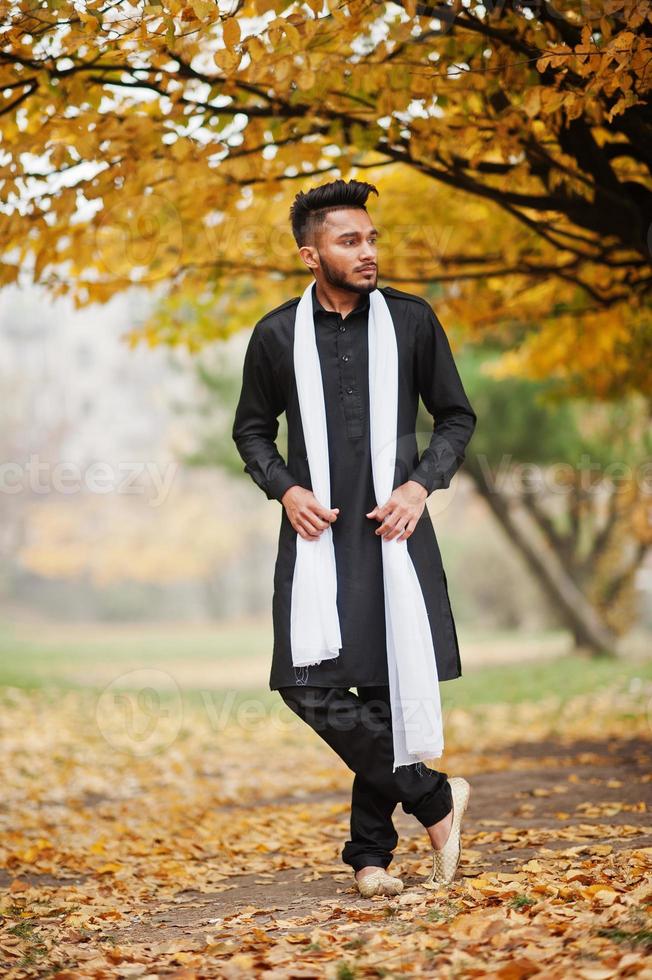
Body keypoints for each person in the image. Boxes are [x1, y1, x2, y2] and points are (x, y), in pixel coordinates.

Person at [232, 178, 476, 897]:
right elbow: (251, 429)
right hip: (317, 540)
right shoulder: (277, 334)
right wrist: (286, 488)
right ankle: (435, 799)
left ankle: (369, 858)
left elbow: (455, 417)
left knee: (383, 688)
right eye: (350, 241)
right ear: (312, 254)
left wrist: (419, 485)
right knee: (303, 682)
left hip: (393, 533)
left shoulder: (411, 321)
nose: (368, 252)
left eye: (371, 238)